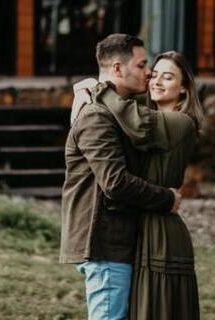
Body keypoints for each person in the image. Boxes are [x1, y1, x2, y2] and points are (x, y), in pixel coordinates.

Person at [60, 33, 182, 320]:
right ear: (117, 68)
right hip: (104, 242)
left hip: (117, 243)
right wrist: (167, 198)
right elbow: (115, 183)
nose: (149, 72)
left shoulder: (118, 111)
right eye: (141, 65)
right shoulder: (96, 116)